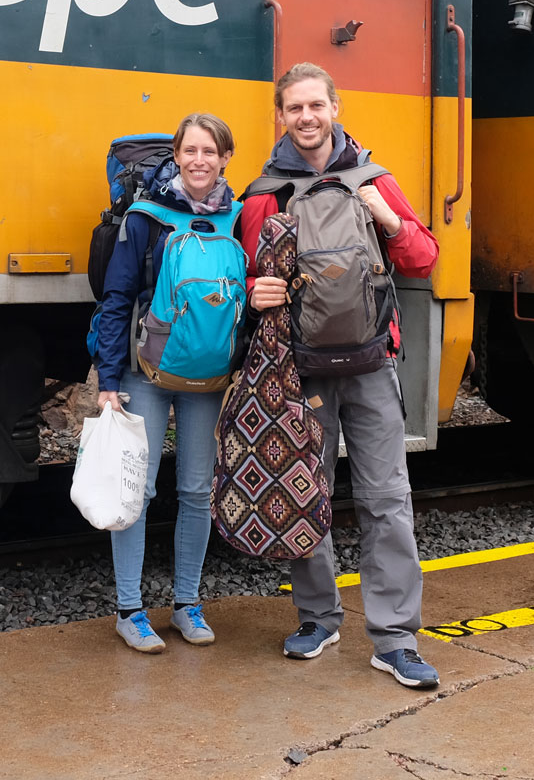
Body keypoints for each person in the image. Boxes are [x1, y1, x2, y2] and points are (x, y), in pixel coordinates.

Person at [241, 62, 441, 690]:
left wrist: (387, 217)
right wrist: (256, 291)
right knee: (308, 496)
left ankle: (395, 639)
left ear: (335, 109)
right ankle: (318, 618)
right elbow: (245, 274)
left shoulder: (373, 179)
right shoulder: (264, 192)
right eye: (294, 108)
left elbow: (423, 258)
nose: (306, 118)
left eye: (316, 107)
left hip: (372, 362)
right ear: (280, 116)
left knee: (387, 501)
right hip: (300, 368)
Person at [91, 112, 239, 653]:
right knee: (139, 489)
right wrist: (108, 378)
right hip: (144, 372)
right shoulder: (144, 218)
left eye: (210, 151)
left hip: (208, 376)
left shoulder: (238, 218)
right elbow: (115, 301)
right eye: (190, 151)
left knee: (198, 491)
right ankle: (130, 609)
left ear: (226, 158)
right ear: (176, 156)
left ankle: (186, 604)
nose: (199, 161)